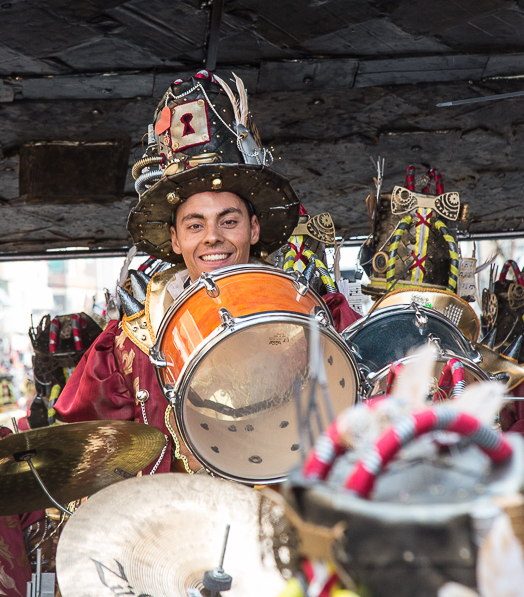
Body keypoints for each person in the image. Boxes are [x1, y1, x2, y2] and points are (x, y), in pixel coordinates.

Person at [53, 71, 359, 474]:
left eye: (228, 221)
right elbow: (85, 466)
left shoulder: (323, 316)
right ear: (176, 240)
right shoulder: (127, 351)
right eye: (195, 225)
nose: (212, 238)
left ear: (254, 228)